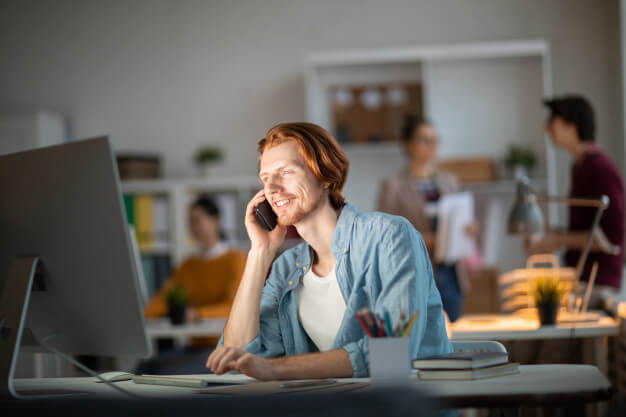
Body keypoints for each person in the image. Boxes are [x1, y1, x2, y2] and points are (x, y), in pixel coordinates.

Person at [206, 122, 451, 380]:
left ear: (324, 176)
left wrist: (275, 369)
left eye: (285, 172)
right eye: (265, 178)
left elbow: (394, 352)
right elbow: (235, 356)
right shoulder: (287, 267)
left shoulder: (388, 236)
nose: (272, 188)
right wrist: (259, 253)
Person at [528, 95, 624, 308]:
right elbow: (584, 229)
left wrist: (558, 239)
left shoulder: (600, 168)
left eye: (552, 121)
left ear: (571, 126)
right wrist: (552, 237)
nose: (547, 128)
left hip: (597, 284)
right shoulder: (580, 166)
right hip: (582, 280)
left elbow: (610, 238)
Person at [377, 115, 474, 322]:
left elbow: (460, 222)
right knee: (420, 338)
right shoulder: (393, 186)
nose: (432, 145)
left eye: (435, 140)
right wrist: (426, 240)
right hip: (414, 274)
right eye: (425, 139)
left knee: (453, 340)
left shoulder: (449, 182)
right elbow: (385, 235)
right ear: (408, 145)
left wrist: (468, 229)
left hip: (450, 272)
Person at [139, 195, 246, 374]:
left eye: (197, 220)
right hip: (196, 347)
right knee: (145, 367)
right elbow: (165, 298)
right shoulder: (188, 265)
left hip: (226, 349)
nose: (193, 227)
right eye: (190, 222)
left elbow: (236, 308)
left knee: (165, 372)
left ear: (216, 221)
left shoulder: (236, 260)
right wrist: (141, 316)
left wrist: (197, 313)